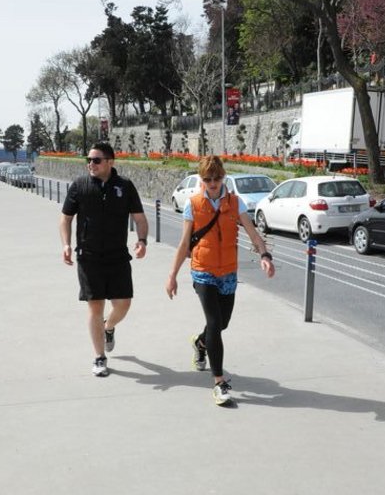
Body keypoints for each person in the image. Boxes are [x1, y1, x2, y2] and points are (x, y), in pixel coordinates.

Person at [166, 155, 275, 406]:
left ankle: (200, 343)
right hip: (203, 270)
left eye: (217, 178)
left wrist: (265, 255)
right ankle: (219, 382)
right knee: (214, 323)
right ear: (202, 179)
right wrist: (172, 276)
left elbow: (252, 233)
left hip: (228, 272)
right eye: (208, 179)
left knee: (222, 323)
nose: (213, 183)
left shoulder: (235, 203)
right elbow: (184, 243)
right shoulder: (193, 204)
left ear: (223, 177)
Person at [59, 142, 149, 377]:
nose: (91, 164)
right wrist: (66, 244)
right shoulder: (79, 185)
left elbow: (140, 218)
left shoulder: (125, 186)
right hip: (88, 257)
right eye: (88, 160)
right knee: (95, 306)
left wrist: (142, 241)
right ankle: (99, 357)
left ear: (110, 162)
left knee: (124, 304)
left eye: (96, 160)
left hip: (118, 256)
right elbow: (65, 218)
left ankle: (108, 327)